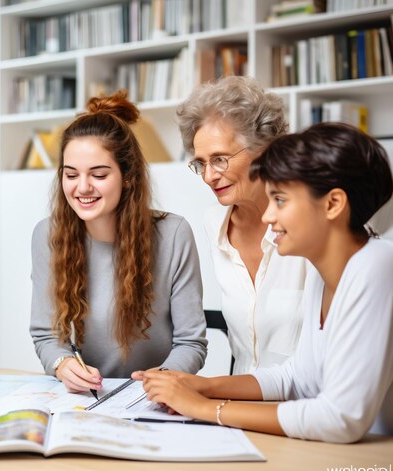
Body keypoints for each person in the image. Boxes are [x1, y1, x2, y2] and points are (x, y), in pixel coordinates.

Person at [133, 122, 393, 443]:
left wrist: (204, 408)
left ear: (333, 204)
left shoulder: (377, 266)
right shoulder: (323, 273)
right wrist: (201, 385)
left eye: (280, 201)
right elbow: (296, 377)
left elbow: (340, 418)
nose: (268, 217)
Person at [30, 90, 207, 394]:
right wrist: (63, 364)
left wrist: (161, 381)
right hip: (88, 398)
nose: (82, 187)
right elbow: (47, 335)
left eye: (98, 175)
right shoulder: (49, 234)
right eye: (71, 175)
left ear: (127, 177)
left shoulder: (174, 234)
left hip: (155, 397)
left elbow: (191, 342)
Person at [175, 76, 307, 374]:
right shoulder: (214, 222)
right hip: (241, 401)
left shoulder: (308, 221)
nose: (209, 176)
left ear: (264, 149)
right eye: (201, 163)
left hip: (300, 409)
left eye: (220, 159)